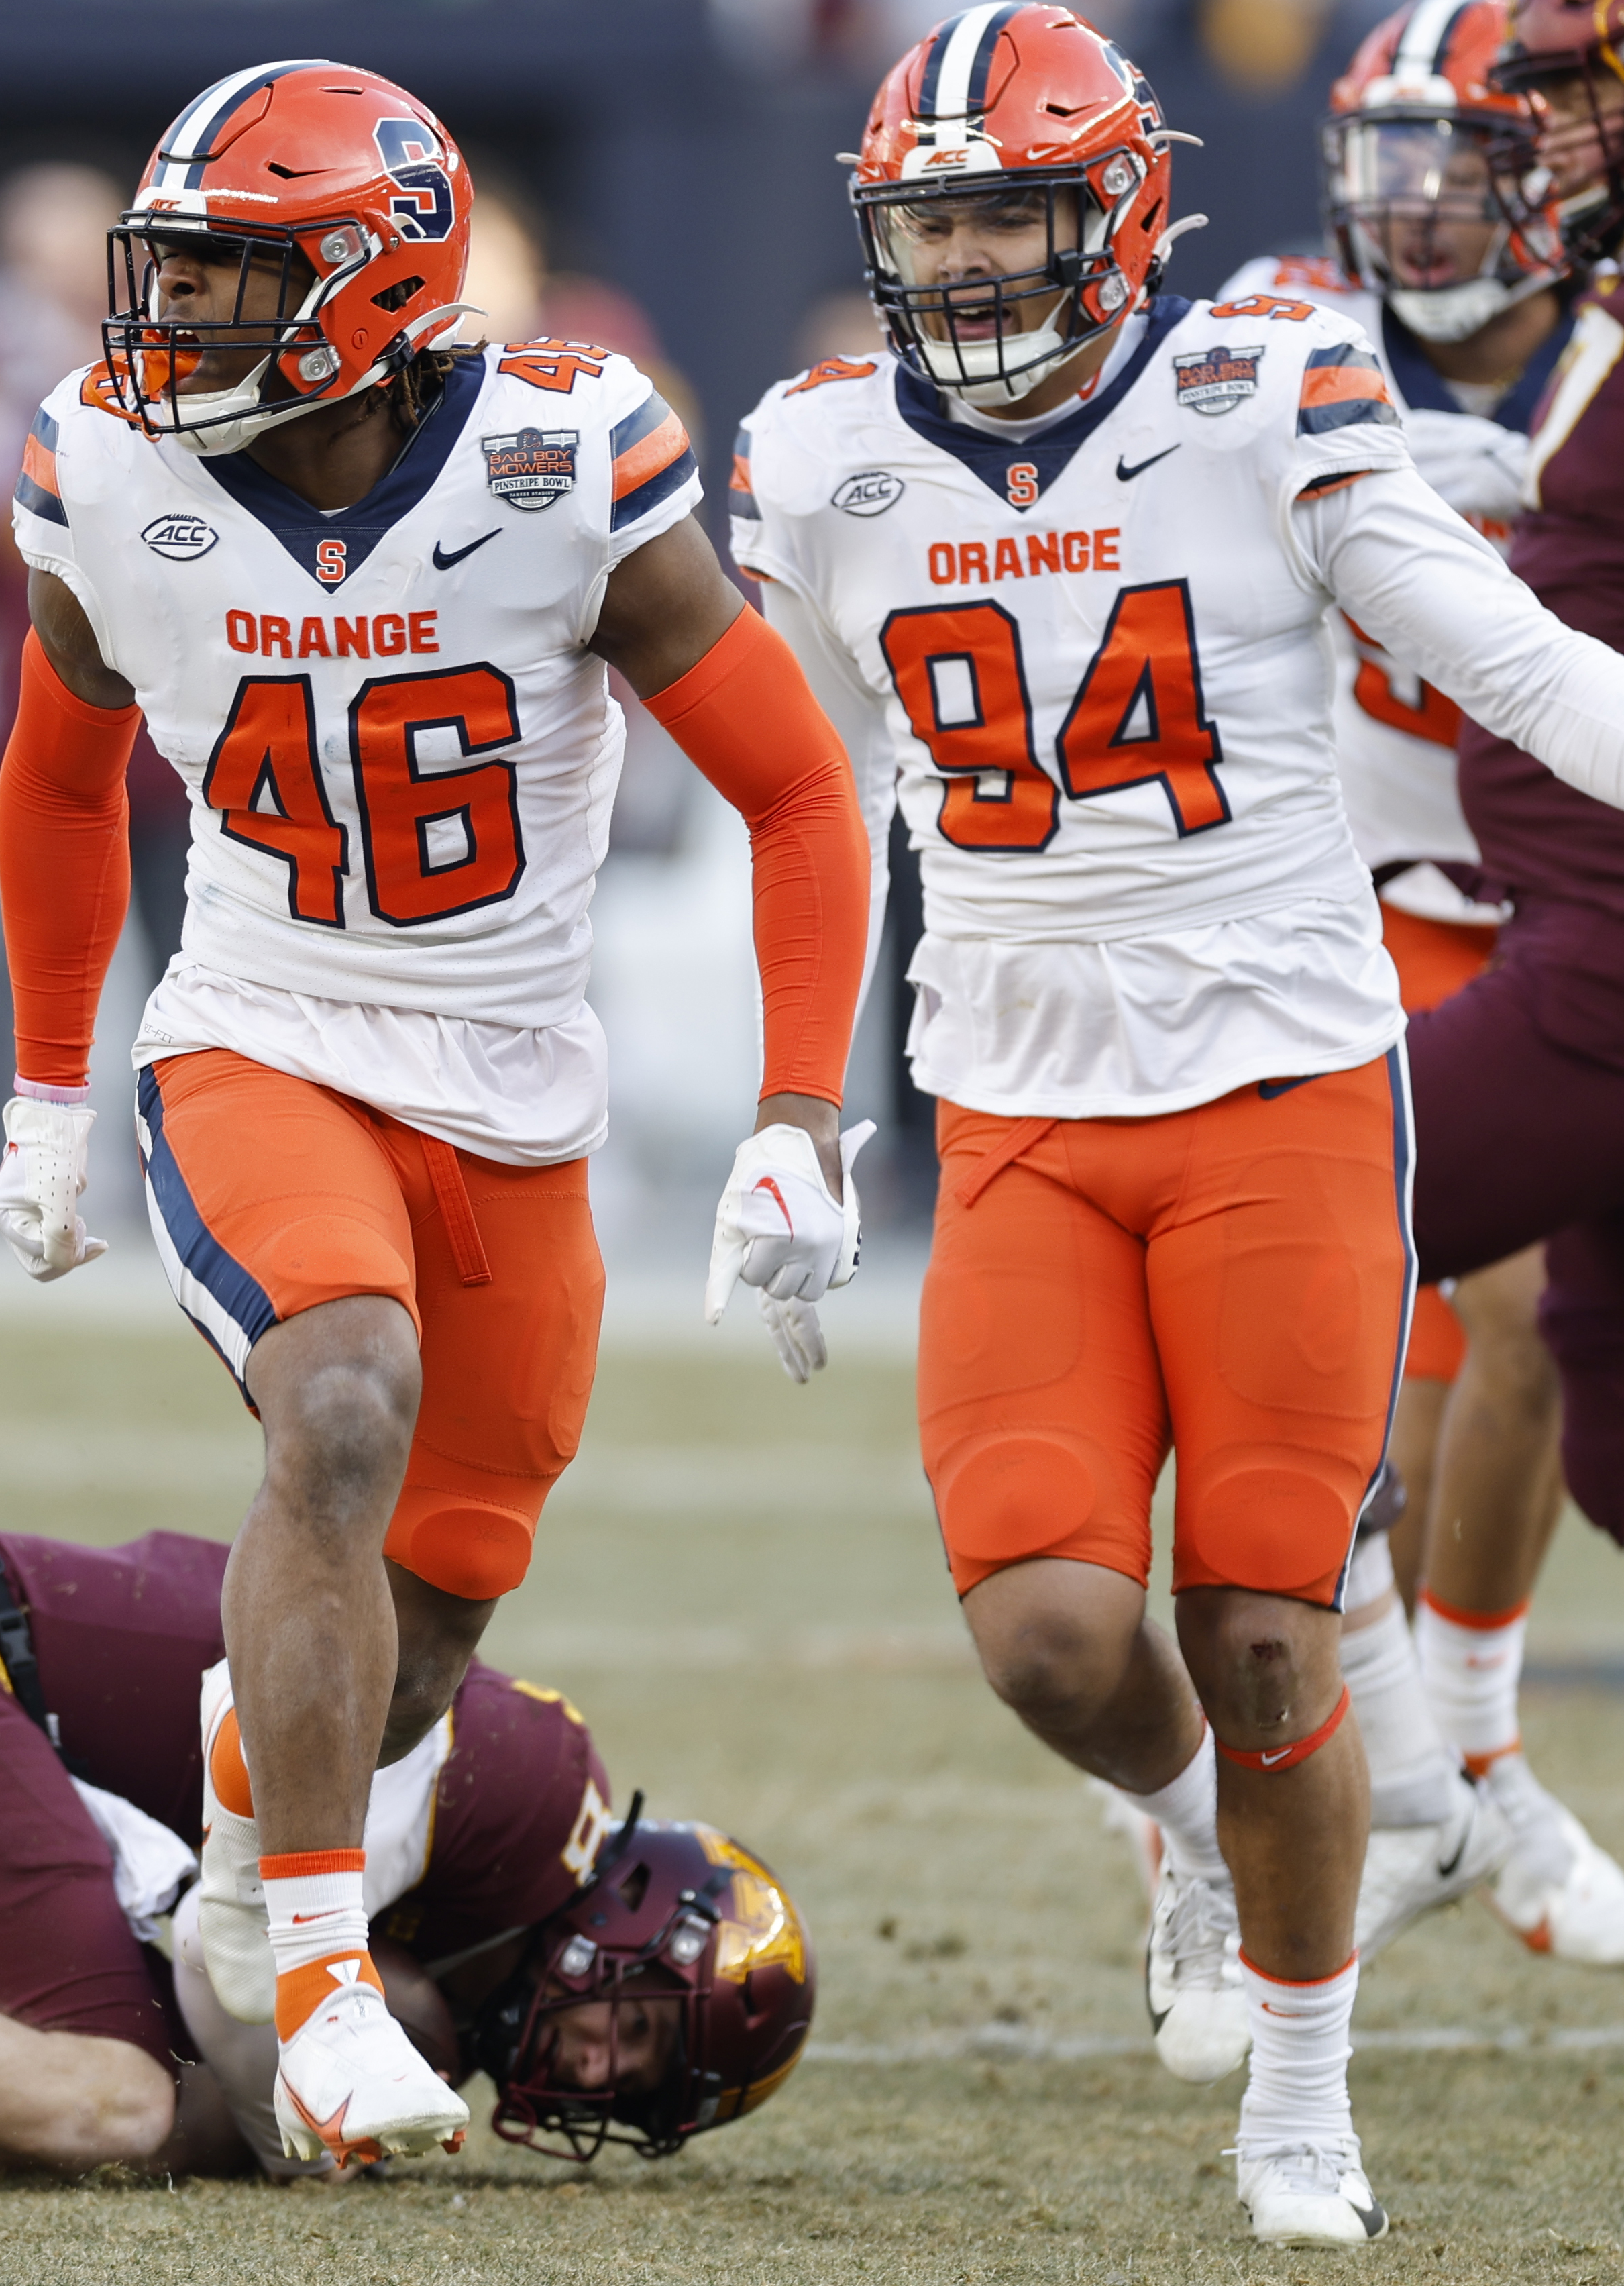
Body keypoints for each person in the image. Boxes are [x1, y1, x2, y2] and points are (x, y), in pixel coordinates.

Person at [730, 3, 1624, 2247]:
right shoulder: (820, 454)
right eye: (924, 232)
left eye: (1004, 222)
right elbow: (799, 801)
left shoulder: (1254, 394)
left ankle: (1301, 2092)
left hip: (1279, 1094)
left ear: (1111, 216)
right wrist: (786, 1109)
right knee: (1046, 1627)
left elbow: (1511, 663)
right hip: (1011, 1106)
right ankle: (1176, 1838)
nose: (959, 278)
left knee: (1262, 1625)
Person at [0, 60, 870, 2165]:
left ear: (371, 288)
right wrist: (43, 1092)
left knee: (434, 1617)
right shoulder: (105, 460)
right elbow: (57, 772)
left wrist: (804, 1109)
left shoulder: (564, 459)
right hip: (263, 1033)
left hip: (509, 1094)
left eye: (223, 283)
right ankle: (311, 1990)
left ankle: (224, 1895)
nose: (163, 326)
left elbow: (797, 788)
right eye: (165, 275)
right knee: (342, 1405)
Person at [0, 1526, 817, 2196]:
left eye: (635, 2092)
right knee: (118, 2098)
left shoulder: (486, 1899)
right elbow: (246, 1968)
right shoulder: (526, 1795)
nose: (595, 2073)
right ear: (624, 1923)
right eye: (631, 2034)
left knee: (128, 2097)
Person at [1213, 0, 1589, 1967]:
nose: (1420, 213)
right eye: (1390, 166)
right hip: (1331, 887)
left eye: (1462, 164)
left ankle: (1473, 1746)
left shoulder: (1605, 359)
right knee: (1331, 1344)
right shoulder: (1276, 331)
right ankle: (1281, 1798)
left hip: (1540, 889)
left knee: (1526, 1319)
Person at [1388, 0, 1624, 1966]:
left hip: (1592, 963)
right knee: (1607, 1421)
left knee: (1268, 1223)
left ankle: (1380, 1770)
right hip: (1479, 908)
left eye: (1567, 95)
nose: (1525, 140)